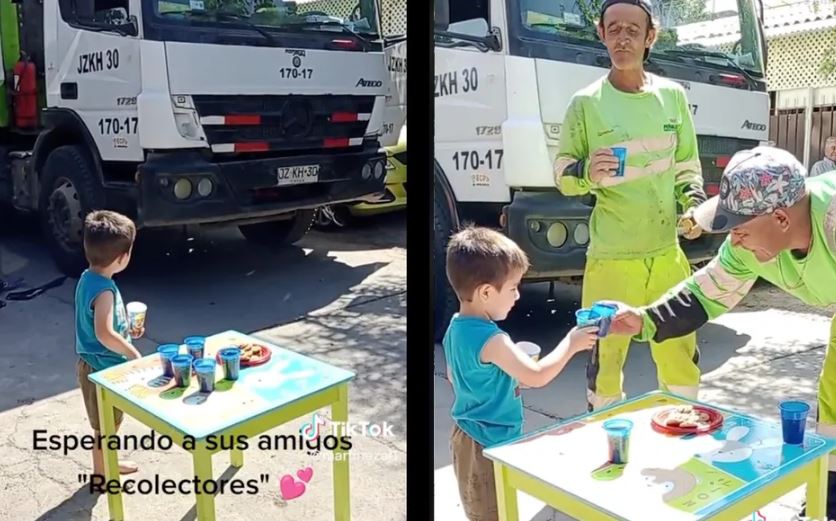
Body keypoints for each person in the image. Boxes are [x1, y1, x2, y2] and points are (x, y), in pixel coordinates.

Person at [608, 145, 836, 517]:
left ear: (781, 218)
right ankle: (829, 494)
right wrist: (646, 320)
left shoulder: (832, 221)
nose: (734, 239)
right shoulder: (745, 248)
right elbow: (705, 292)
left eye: (739, 229)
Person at [553, 0, 706, 411]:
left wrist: (693, 205)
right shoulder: (585, 103)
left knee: (679, 354)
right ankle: (607, 438)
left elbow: (687, 167)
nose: (623, 39)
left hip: (667, 257)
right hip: (611, 259)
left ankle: (682, 429)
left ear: (650, 37)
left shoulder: (672, 98)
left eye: (633, 31)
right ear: (601, 34)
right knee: (605, 359)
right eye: (614, 29)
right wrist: (586, 170)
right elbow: (563, 175)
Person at [443, 226, 598, 521]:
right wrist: (571, 343)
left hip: (465, 436)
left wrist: (506, 378)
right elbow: (536, 376)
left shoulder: (455, 327)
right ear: (486, 292)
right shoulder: (493, 340)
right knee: (495, 514)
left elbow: (456, 376)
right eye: (513, 287)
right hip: (489, 443)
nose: (517, 296)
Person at [75, 210, 144, 479]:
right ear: (122, 258)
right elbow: (104, 333)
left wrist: (128, 331)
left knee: (109, 424)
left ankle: (108, 464)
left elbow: (104, 325)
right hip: (101, 369)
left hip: (95, 364)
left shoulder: (88, 278)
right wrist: (132, 352)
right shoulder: (104, 291)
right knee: (105, 428)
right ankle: (102, 475)